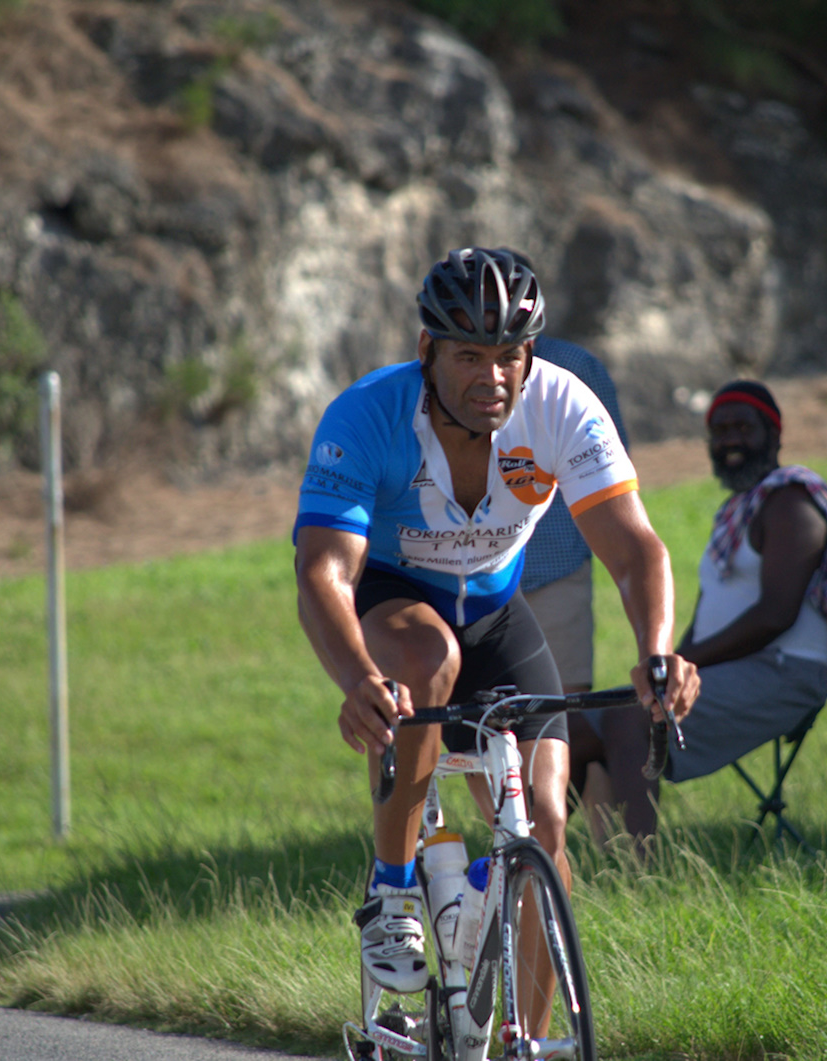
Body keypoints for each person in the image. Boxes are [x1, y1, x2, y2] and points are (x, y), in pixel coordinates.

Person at [292, 247, 699, 1001]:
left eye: (510, 354)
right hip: (394, 600)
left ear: (530, 354)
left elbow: (636, 547)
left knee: (544, 827)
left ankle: (532, 1042)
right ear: (427, 351)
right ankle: (392, 888)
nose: (493, 377)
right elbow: (323, 570)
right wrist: (358, 680)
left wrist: (655, 652)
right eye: (469, 355)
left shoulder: (562, 406)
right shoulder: (368, 414)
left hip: (497, 616)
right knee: (426, 655)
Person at [568, 379, 827, 845]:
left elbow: (775, 615)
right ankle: (534, 851)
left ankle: (639, 871)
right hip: (735, 668)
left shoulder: (790, 501)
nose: (730, 440)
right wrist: (677, 662)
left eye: (743, 427)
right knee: (576, 723)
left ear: (774, 434)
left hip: (786, 672)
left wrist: (685, 662)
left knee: (633, 717)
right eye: (719, 430)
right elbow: (711, 618)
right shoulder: (738, 510)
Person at [522, 336, 629, 697]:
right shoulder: (442, 364)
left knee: (565, 720)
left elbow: (610, 469)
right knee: (472, 735)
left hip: (553, 570)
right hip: (467, 579)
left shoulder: (573, 364)